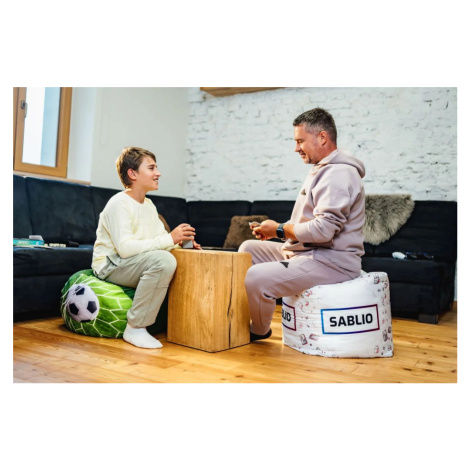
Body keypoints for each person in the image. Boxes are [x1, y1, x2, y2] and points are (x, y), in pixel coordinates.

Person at [239, 108, 366, 342]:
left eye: (300, 141)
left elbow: (324, 230)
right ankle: (236, 316)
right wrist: (277, 232)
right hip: (308, 253)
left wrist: (279, 229)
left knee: (257, 277)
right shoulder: (322, 169)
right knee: (248, 250)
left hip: (332, 262)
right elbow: (308, 222)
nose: (296, 148)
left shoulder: (338, 173)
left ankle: (258, 330)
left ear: (322, 137)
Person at [92, 147, 201, 349]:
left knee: (178, 257)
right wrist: (169, 238)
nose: (158, 173)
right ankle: (135, 327)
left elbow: (159, 239)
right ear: (132, 174)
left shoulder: (149, 204)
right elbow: (125, 249)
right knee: (164, 260)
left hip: (131, 262)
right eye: (151, 168)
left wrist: (178, 244)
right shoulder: (119, 203)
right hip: (111, 264)